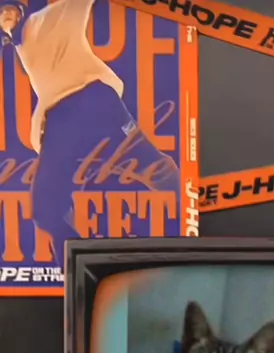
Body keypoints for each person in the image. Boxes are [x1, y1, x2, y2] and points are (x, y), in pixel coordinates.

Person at [0, 0, 179, 263]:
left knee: (154, 167)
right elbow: (49, 87)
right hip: (61, 120)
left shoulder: (49, 18)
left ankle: (188, 213)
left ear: (20, 11)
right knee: (45, 207)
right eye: (0, 12)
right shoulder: (20, 45)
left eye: (9, 9)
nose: (5, 14)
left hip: (95, 102)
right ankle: (79, 267)